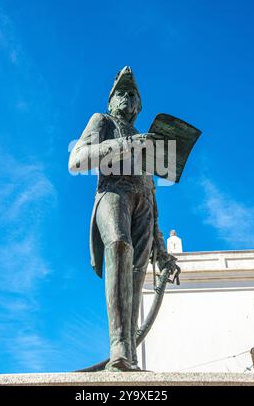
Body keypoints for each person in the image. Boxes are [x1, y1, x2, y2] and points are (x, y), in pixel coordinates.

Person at [69, 66, 167, 371]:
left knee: (137, 273)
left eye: (132, 95)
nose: (126, 98)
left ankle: (129, 356)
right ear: (111, 102)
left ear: (138, 106)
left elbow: (151, 189)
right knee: (119, 246)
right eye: (120, 93)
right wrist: (126, 146)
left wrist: (160, 246)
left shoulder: (146, 138)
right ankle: (120, 347)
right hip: (113, 193)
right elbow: (76, 160)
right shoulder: (102, 121)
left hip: (143, 204)